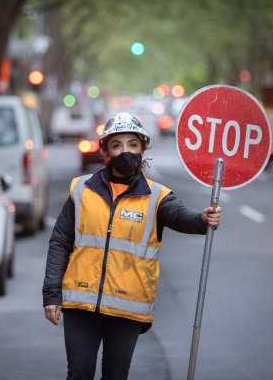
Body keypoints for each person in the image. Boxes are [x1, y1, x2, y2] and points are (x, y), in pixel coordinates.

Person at [42, 112, 222, 380]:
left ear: (142, 148)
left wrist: (202, 219)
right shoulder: (82, 190)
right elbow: (60, 243)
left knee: (116, 375)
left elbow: (181, 217)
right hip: (80, 304)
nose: (125, 151)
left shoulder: (157, 197)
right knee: (78, 374)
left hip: (128, 306)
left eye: (132, 145)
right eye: (116, 145)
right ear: (105, 152)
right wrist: (52, 294)